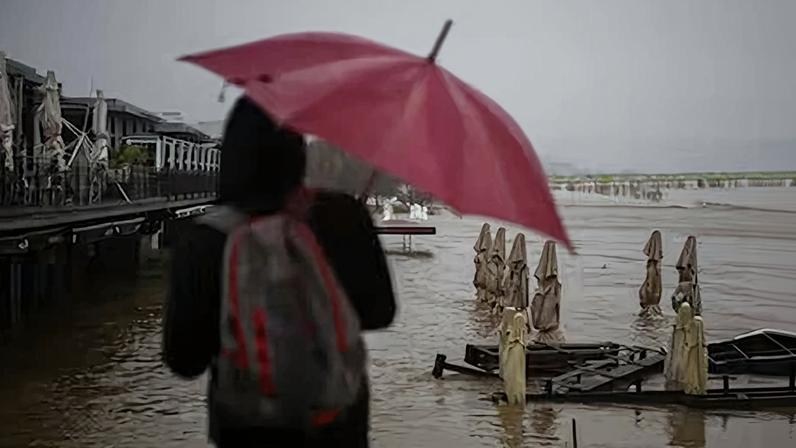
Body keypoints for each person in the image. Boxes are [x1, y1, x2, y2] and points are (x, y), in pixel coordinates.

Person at [162, 96, 396, 447]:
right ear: (297, 154)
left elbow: (184, 360)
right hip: (338, 427)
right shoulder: (342, 214)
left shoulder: (205, 238)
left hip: (247, 430)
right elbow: (380, 313)